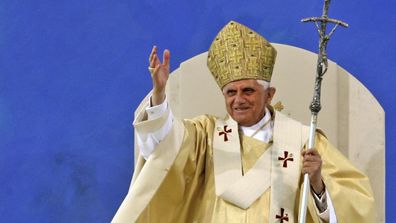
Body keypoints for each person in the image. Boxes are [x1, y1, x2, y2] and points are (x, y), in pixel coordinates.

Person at [112, 21, 375, 223]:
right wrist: (159, 95)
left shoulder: (303, 141)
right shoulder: (206, 134)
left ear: (269, 95)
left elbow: (357, 205)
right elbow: (163, 147)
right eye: (231, 92)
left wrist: (317, 182)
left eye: (248, 91)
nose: (238, 100)